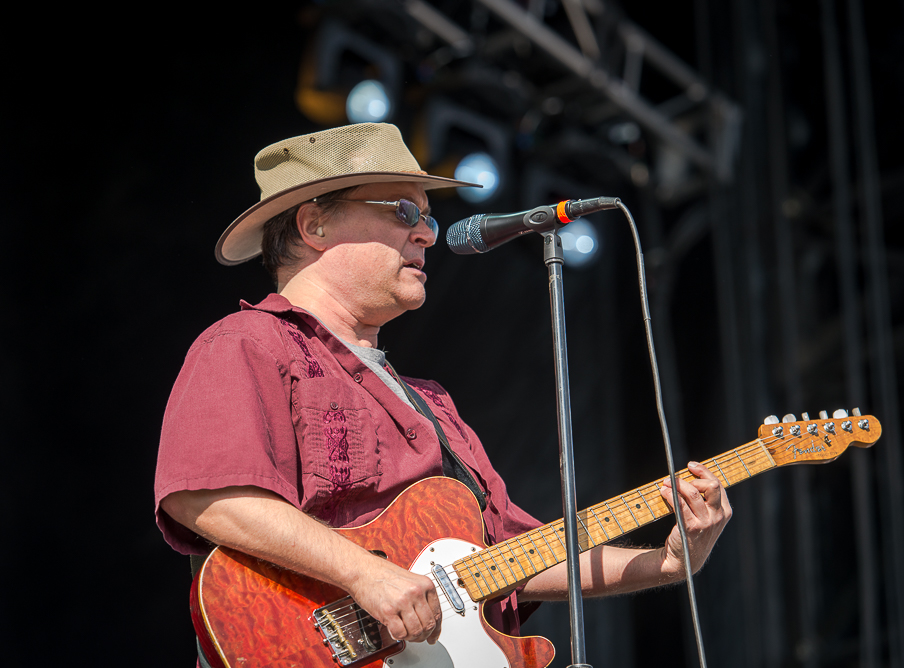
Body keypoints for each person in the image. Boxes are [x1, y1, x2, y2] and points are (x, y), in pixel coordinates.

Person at [154, 122, 731, 658]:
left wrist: (667, 562)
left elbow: (511, 557)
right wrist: (364, 573)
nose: (427, 232)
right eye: (404, 210)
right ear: (314, 225)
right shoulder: (248, 342)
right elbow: (204, 496)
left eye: (428, 217)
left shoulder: (430, 402)